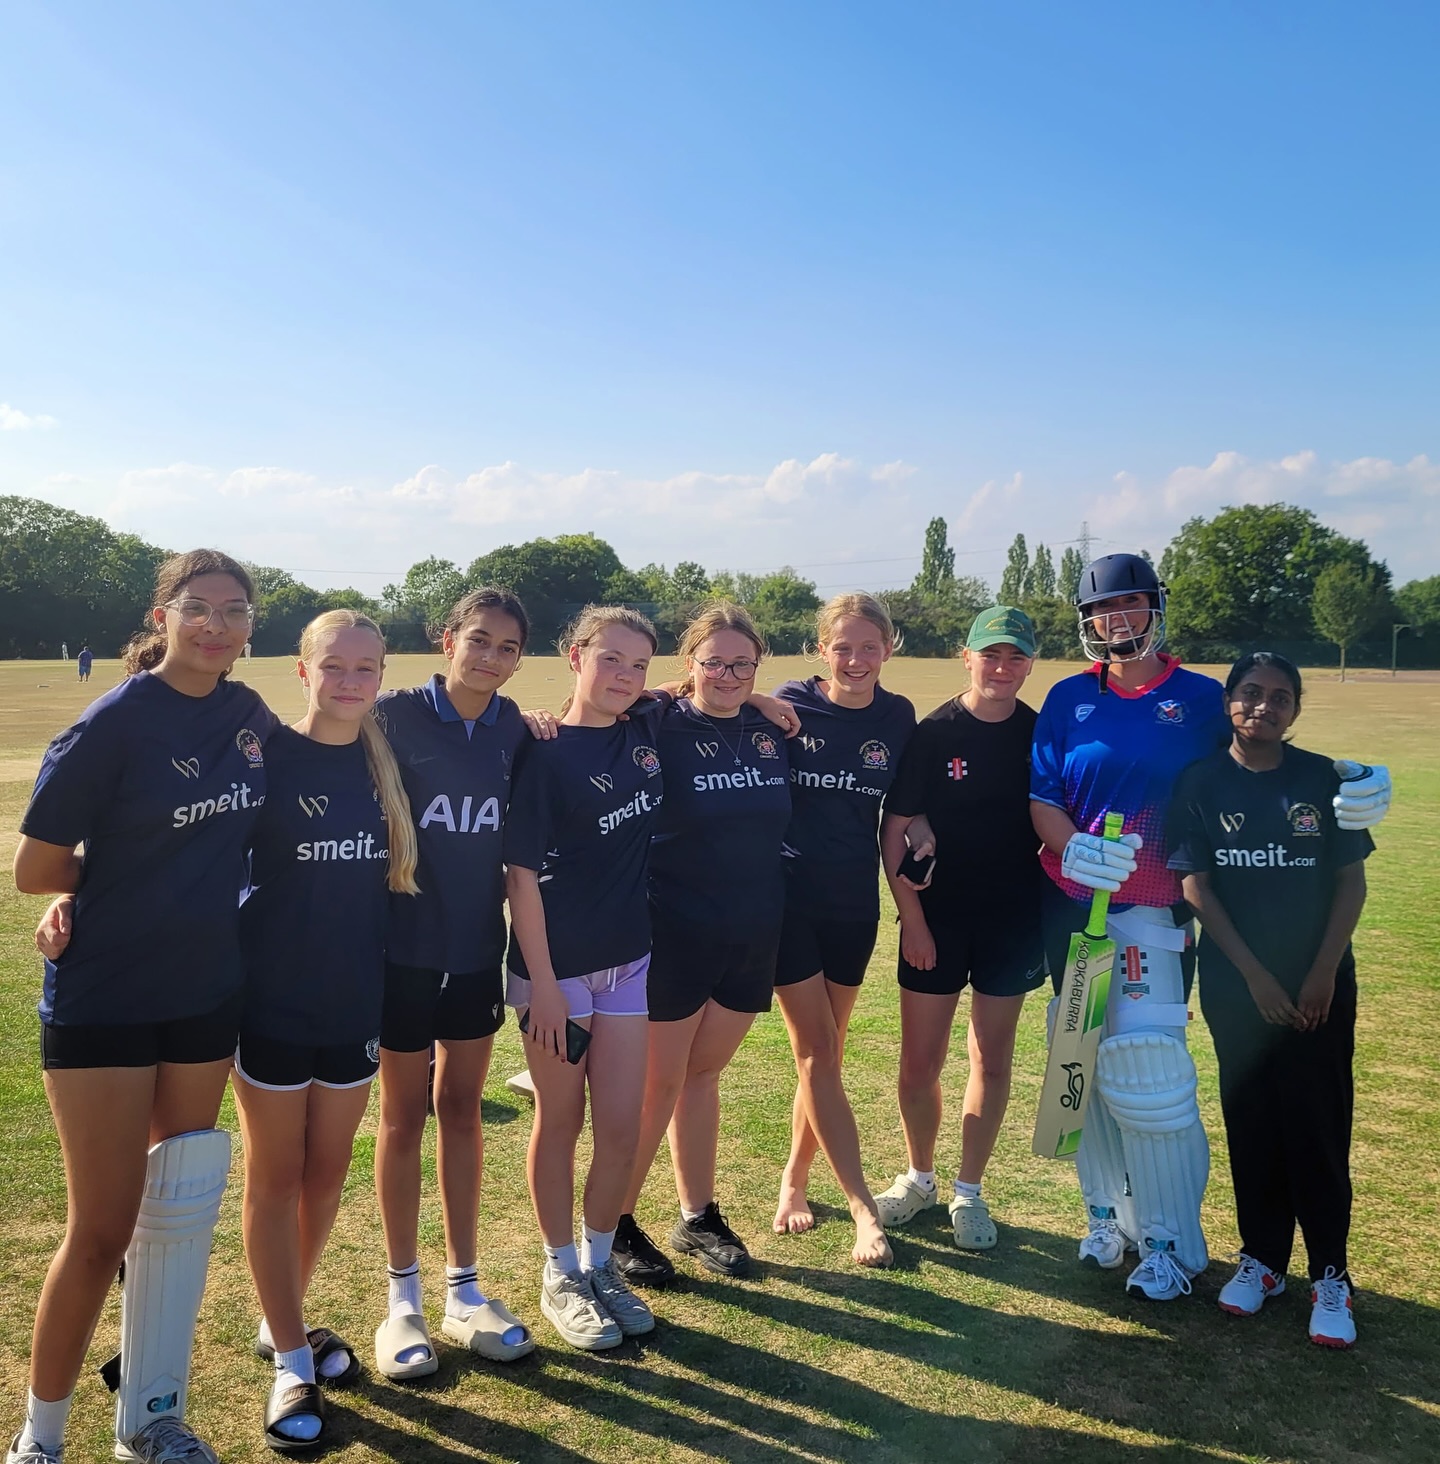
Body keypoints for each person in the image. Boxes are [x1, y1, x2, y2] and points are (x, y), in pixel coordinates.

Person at [1030, 553, 1394, 1302]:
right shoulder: (1068, 698)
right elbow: (1043, 798)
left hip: (1159, 911)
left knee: (1147, 1071)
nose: (1115, 620)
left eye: (1129, 604)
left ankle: (1171, 1243)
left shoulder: (1200, 697)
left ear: (1155, 608)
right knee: (1081, 1068)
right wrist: (1073, 845)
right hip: (1073, 907)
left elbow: (1260, 758)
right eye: (1101, 609)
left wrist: (1349, 779)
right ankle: (1107, 1218)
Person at [10, 550, 275, 1464]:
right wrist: (91, 890)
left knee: (176, 1216)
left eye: (233, 611)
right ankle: (40, 1438)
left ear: (251, 626)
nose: (215, 626)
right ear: (162, 617)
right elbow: (36, 870)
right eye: (197, 609)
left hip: (205, 997)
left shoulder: (248, 714)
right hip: (107, 998)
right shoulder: (113, 724)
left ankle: (150, 1414)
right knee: (103, 1227)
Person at [233, 611, 420, 1450]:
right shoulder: (264, 754)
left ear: (382, 675)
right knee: (274, 1178)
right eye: (333, 666)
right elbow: (175, 839)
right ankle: (290, 1364)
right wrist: (71, 897)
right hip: (270, 1006)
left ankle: (286, 1324)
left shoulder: (390, 763)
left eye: (366, 669)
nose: (350, 682)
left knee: (326, 1172)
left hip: (355, 1005)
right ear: (302, 672)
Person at [1169, 653, 1371, 1347]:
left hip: (1319, 987)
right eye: (1250, 693)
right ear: (1228, 701)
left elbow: (1350, 883)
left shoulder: (1321, 779)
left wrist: (1320, 973)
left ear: (1296, 708)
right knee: (1251, 1119)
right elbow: (1197, 888)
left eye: (1280, 696)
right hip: (1236, 987)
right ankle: (1261, 1260)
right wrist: (1254, 976)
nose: (1264, 706)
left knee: (1317, 1123)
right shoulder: (1200, 781)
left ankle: (1331, 1275)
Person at [371, 588, 537, 1380]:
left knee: (462, 1110)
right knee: (403, 1117)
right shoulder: (392, 713)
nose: (491, 657)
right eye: (479, 640)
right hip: (400, 952)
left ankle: (463, 1288)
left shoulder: (512, 726)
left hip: (475, 951)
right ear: (448, 640)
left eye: (507, 648)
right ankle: (401, 1297)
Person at [611, 603, 794, 1284]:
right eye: (712, 661)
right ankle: (616, 1222)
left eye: (740, 663)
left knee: (703, 1076)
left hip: (752, 932)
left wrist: (764, 700)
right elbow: (604, 706)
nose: (726, 673)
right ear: (688, 665)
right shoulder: (658, 720)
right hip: (673, 930)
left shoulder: (771, 727)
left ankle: (696, 1216)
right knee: (657, 1083)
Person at [504, 605, 672, 1349]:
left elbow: (699, 687)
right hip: (556, 972)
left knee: (623, 1124)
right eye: (611, 660)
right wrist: (540, 980)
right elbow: (519, 879)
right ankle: (559, 1272)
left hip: (629, 962)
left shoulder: (645, 728)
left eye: (638, 665)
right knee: (561, 1121)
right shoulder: (539, 749)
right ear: (575, 656)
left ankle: (602, 1262)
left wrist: (764, 697)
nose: (625, 677)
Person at [871, 607, 1048, 1250]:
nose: (1003, 669)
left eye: (1016, 657)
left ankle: (968, 1193)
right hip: (935, 922)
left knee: (990, 1060)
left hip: (1012, 923)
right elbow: (896, 829)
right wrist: (912, 921)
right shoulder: (934, 732)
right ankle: (920, 1178)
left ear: (1030, 663)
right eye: (991, 655)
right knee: (920, 1064)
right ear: (966, 657)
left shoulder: (1039, 732)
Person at [770, 594, 917, 1268]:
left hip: (852, 907)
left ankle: (795, 1179)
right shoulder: (786, 702)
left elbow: (907, 810)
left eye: (869, 647)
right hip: (787, 904)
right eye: (843, 647)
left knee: (827, 1053)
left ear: (889, 649)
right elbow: (694, 690)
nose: (855, 660)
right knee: (816, 1053)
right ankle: (861, 1207)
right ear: (821, 648)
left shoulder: (898, 716)